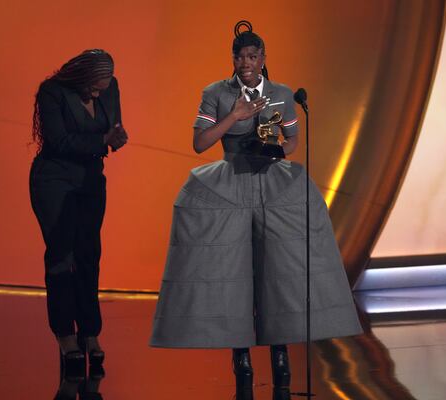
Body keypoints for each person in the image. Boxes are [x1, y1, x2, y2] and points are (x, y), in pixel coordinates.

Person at [150, 22, 362, 388]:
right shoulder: (216, 93)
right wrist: (235, 117)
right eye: (239, 56)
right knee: (232, 272)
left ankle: (280, 353)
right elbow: (200, 144)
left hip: (272, 183)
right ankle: (241, 358)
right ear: (232, 59)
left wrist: (278, 149)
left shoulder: (281, 92)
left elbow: (292, 139)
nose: (245, 62)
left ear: (263, 58)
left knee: (277, 269)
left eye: (252, 56)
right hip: (229, 183)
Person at [29, 49, 128, 375]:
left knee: (89, 254)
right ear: (82, 77)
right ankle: (65, 334)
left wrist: (116, 136)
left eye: (104, 87)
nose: (99, 93)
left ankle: (90, 332)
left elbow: (112, 125)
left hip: (90, 180)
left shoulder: (111, 87)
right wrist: (101, 138)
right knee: (62, 256)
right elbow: (58, 142)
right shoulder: (53, 91)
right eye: (95, 88)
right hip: (54, 179)